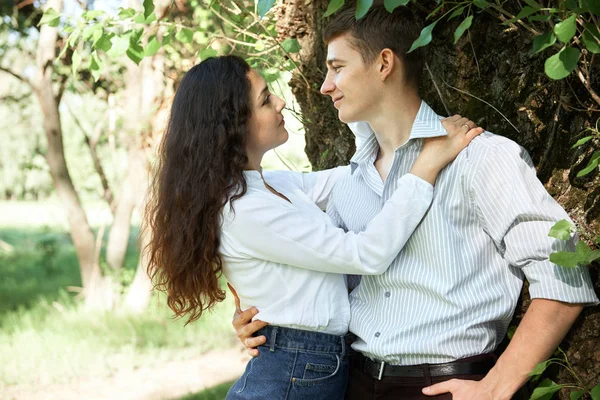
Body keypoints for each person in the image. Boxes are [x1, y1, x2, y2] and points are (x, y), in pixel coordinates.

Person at [233, 4, 599, 400]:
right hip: (352, 383)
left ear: (384, 64)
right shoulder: (348, 182)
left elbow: (563, 271)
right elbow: (326, 277)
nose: (325, 85)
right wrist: (259, 315)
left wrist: (496, 386)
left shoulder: (481, 158)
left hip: (446, 385)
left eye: (337, 68)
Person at [142, 55, 482, 400]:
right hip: (292, 371)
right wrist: (426, 164)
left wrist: (392, 130)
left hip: (307, 364)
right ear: (232, 126)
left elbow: (354, 178)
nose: (280, 102)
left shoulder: (269, 186)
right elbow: (366, 254)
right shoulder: (243, 209)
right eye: (264, 99)